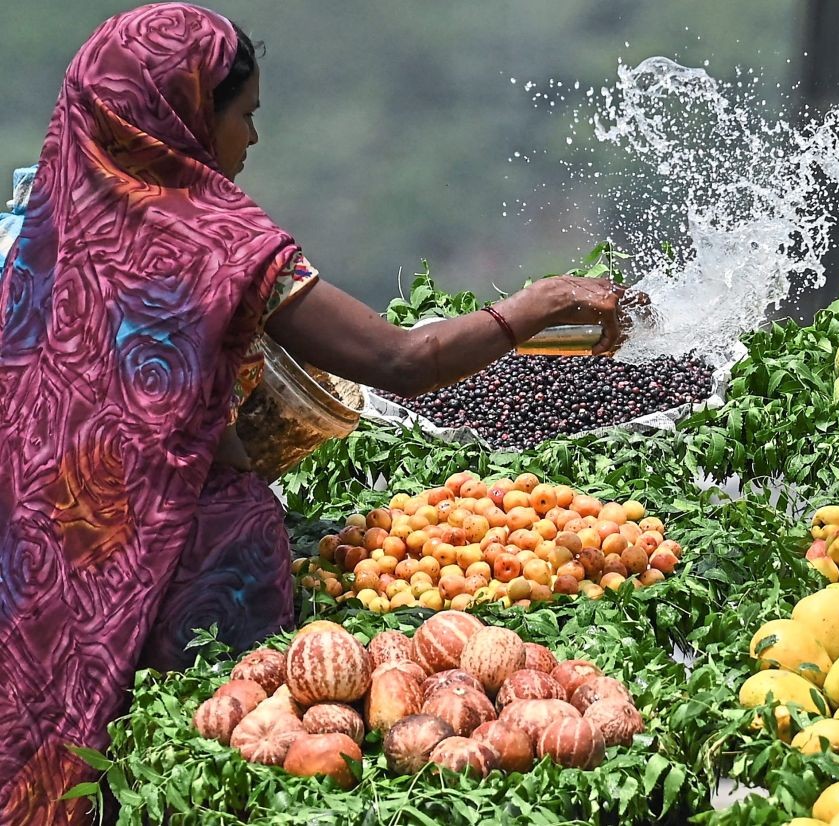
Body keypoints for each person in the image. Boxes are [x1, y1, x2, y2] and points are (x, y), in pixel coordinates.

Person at [0, 4, 626, 822]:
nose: (252, 141)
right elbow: (402, 361)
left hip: (45, 556)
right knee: (207, 777)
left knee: (85, 761)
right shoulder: (218, 241)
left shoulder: (43, 222)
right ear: (186, 113)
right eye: (246, 114)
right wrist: (535, 307)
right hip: (184, 570)